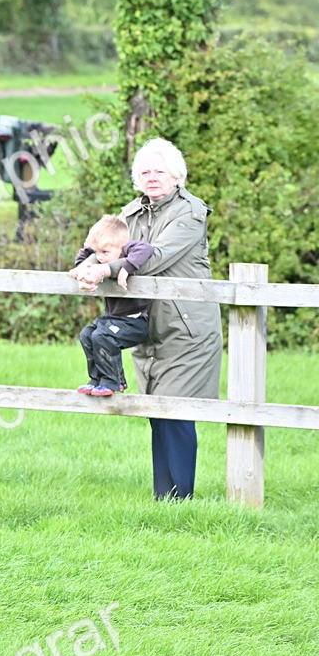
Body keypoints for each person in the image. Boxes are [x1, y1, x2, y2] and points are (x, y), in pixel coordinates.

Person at [70, 138, 223, 500]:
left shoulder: (190, 213)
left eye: (160, 171)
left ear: (177, 176)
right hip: (144, 326)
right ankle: (163, 499)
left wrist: (105, 269)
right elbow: (102, 246)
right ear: (136, 178)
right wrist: (85, 268)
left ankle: (180, 499)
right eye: (145, 171)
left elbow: (153, 257)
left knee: (176, 412)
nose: (152, 177)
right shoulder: (130, 214)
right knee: (157, 412)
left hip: (186, 329)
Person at [72, 214, 154, 397]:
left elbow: (146, 249)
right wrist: (82, 267)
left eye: (105, 252)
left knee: (102, 336)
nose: (100, 258)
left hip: (133, 321)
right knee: (87, 334)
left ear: (122, 248)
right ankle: (97, 379)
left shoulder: (129, 250)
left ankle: (114, 381)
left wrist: (126, 266)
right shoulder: (100, 255)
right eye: (98, 252)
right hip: (112, 318)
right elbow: (85, 253)